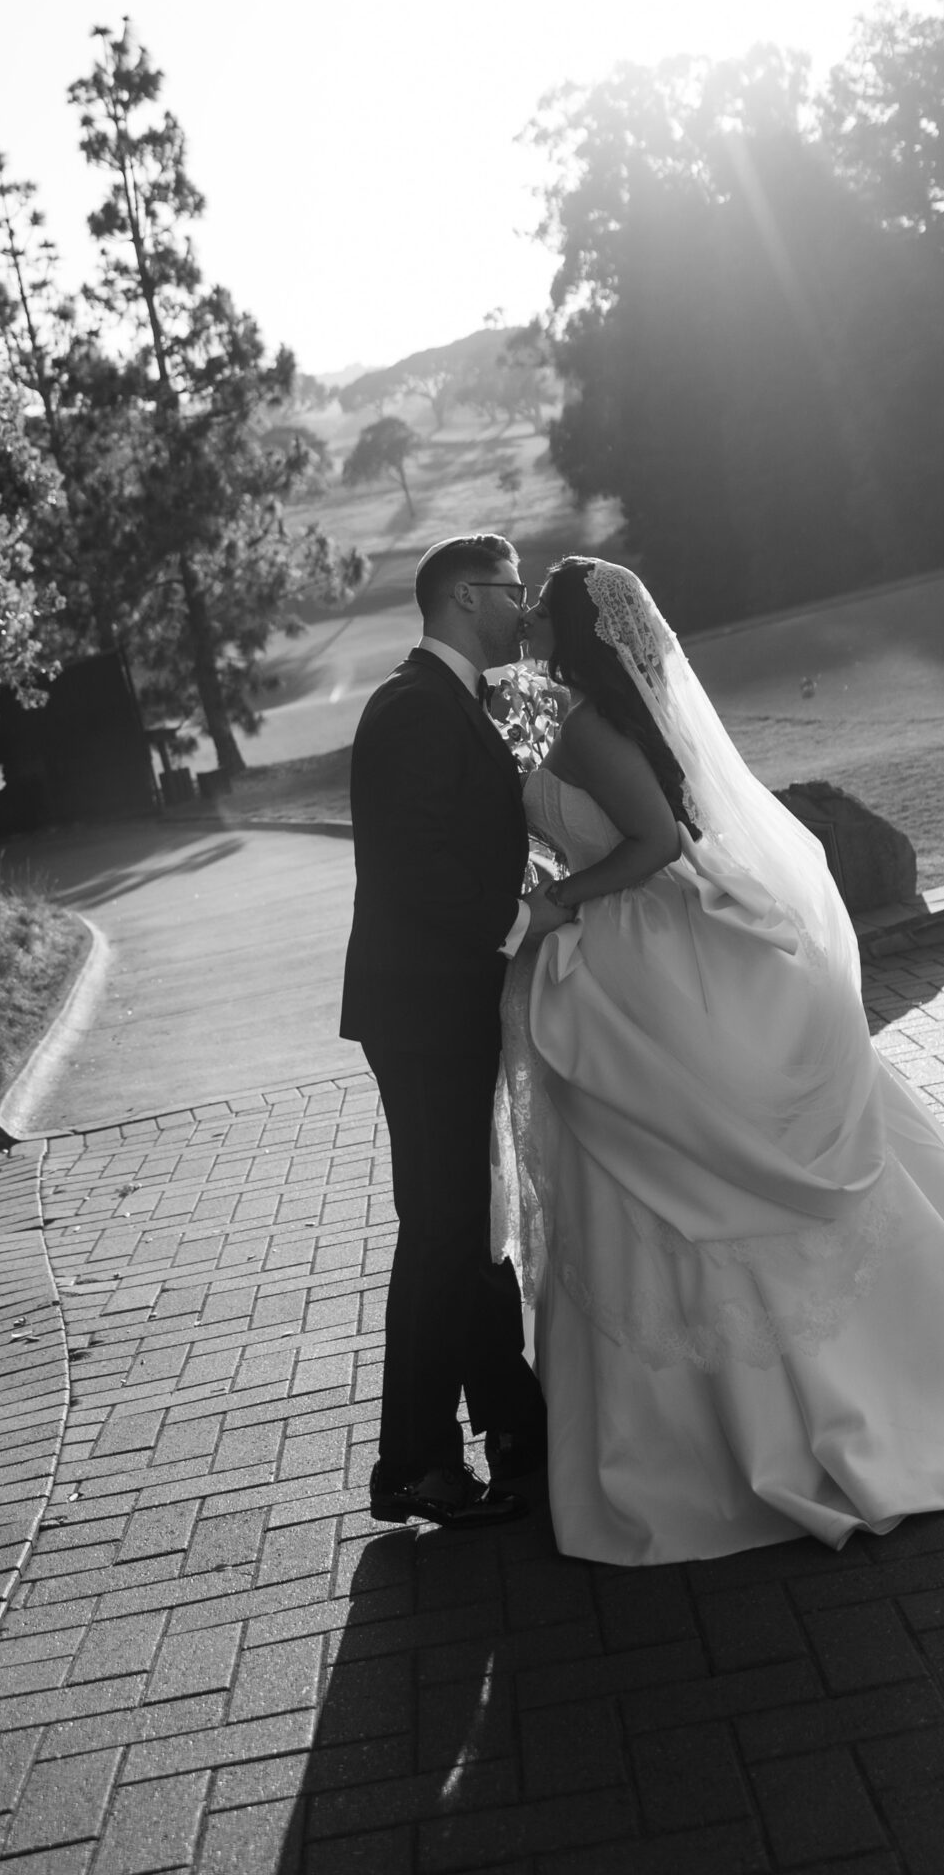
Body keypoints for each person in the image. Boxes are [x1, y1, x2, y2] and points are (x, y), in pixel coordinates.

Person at [495, 555, 944, 1566]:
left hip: (642, 948)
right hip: (638, 957)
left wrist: (557, 902)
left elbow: (658, 842)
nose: (529, 612)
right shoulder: (579, 711)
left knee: (687, 1156)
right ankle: (731, 1415)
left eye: (544, 600)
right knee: (653, 1159)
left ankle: (785, 1418)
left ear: (579, 627)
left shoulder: (589, 725)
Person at [340, 531, 570, 1526]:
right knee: (440, 1231)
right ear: (469, 595)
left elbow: (457, 846)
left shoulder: (448, 702)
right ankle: (414, 1462)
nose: (523, 608)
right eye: (514, 590)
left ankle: (514, 1424)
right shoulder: (412, 709)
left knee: (465, 1225)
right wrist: (524, 920)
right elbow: (413, 867)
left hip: (445, 998)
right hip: (424, 1008)